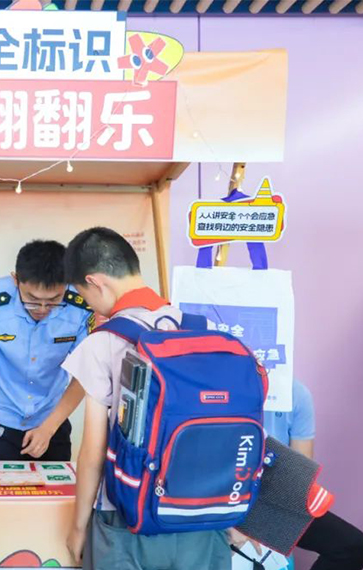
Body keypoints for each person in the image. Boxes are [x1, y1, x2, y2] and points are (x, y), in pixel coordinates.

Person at [60, 227, 232, 570]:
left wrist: (78, 527)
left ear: (95, 282)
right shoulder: (206, 330)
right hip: (202, 515)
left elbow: (93, 452)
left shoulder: (103, 342)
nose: (89, 305)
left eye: (83, 295)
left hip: (127, 517)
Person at [0, 240, 93, 461]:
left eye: (54, 300)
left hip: (51, 421)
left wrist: (49, 427)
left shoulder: (81, 307)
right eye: (32, 300)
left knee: (57, 484)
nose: (42, 309)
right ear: (16, 280)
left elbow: (84, 374)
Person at [263, 380, 363, 570]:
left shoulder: (295, 393)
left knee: (352, 546)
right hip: (223, 496)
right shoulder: (217, 388)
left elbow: (300, 474)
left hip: (272, 496)